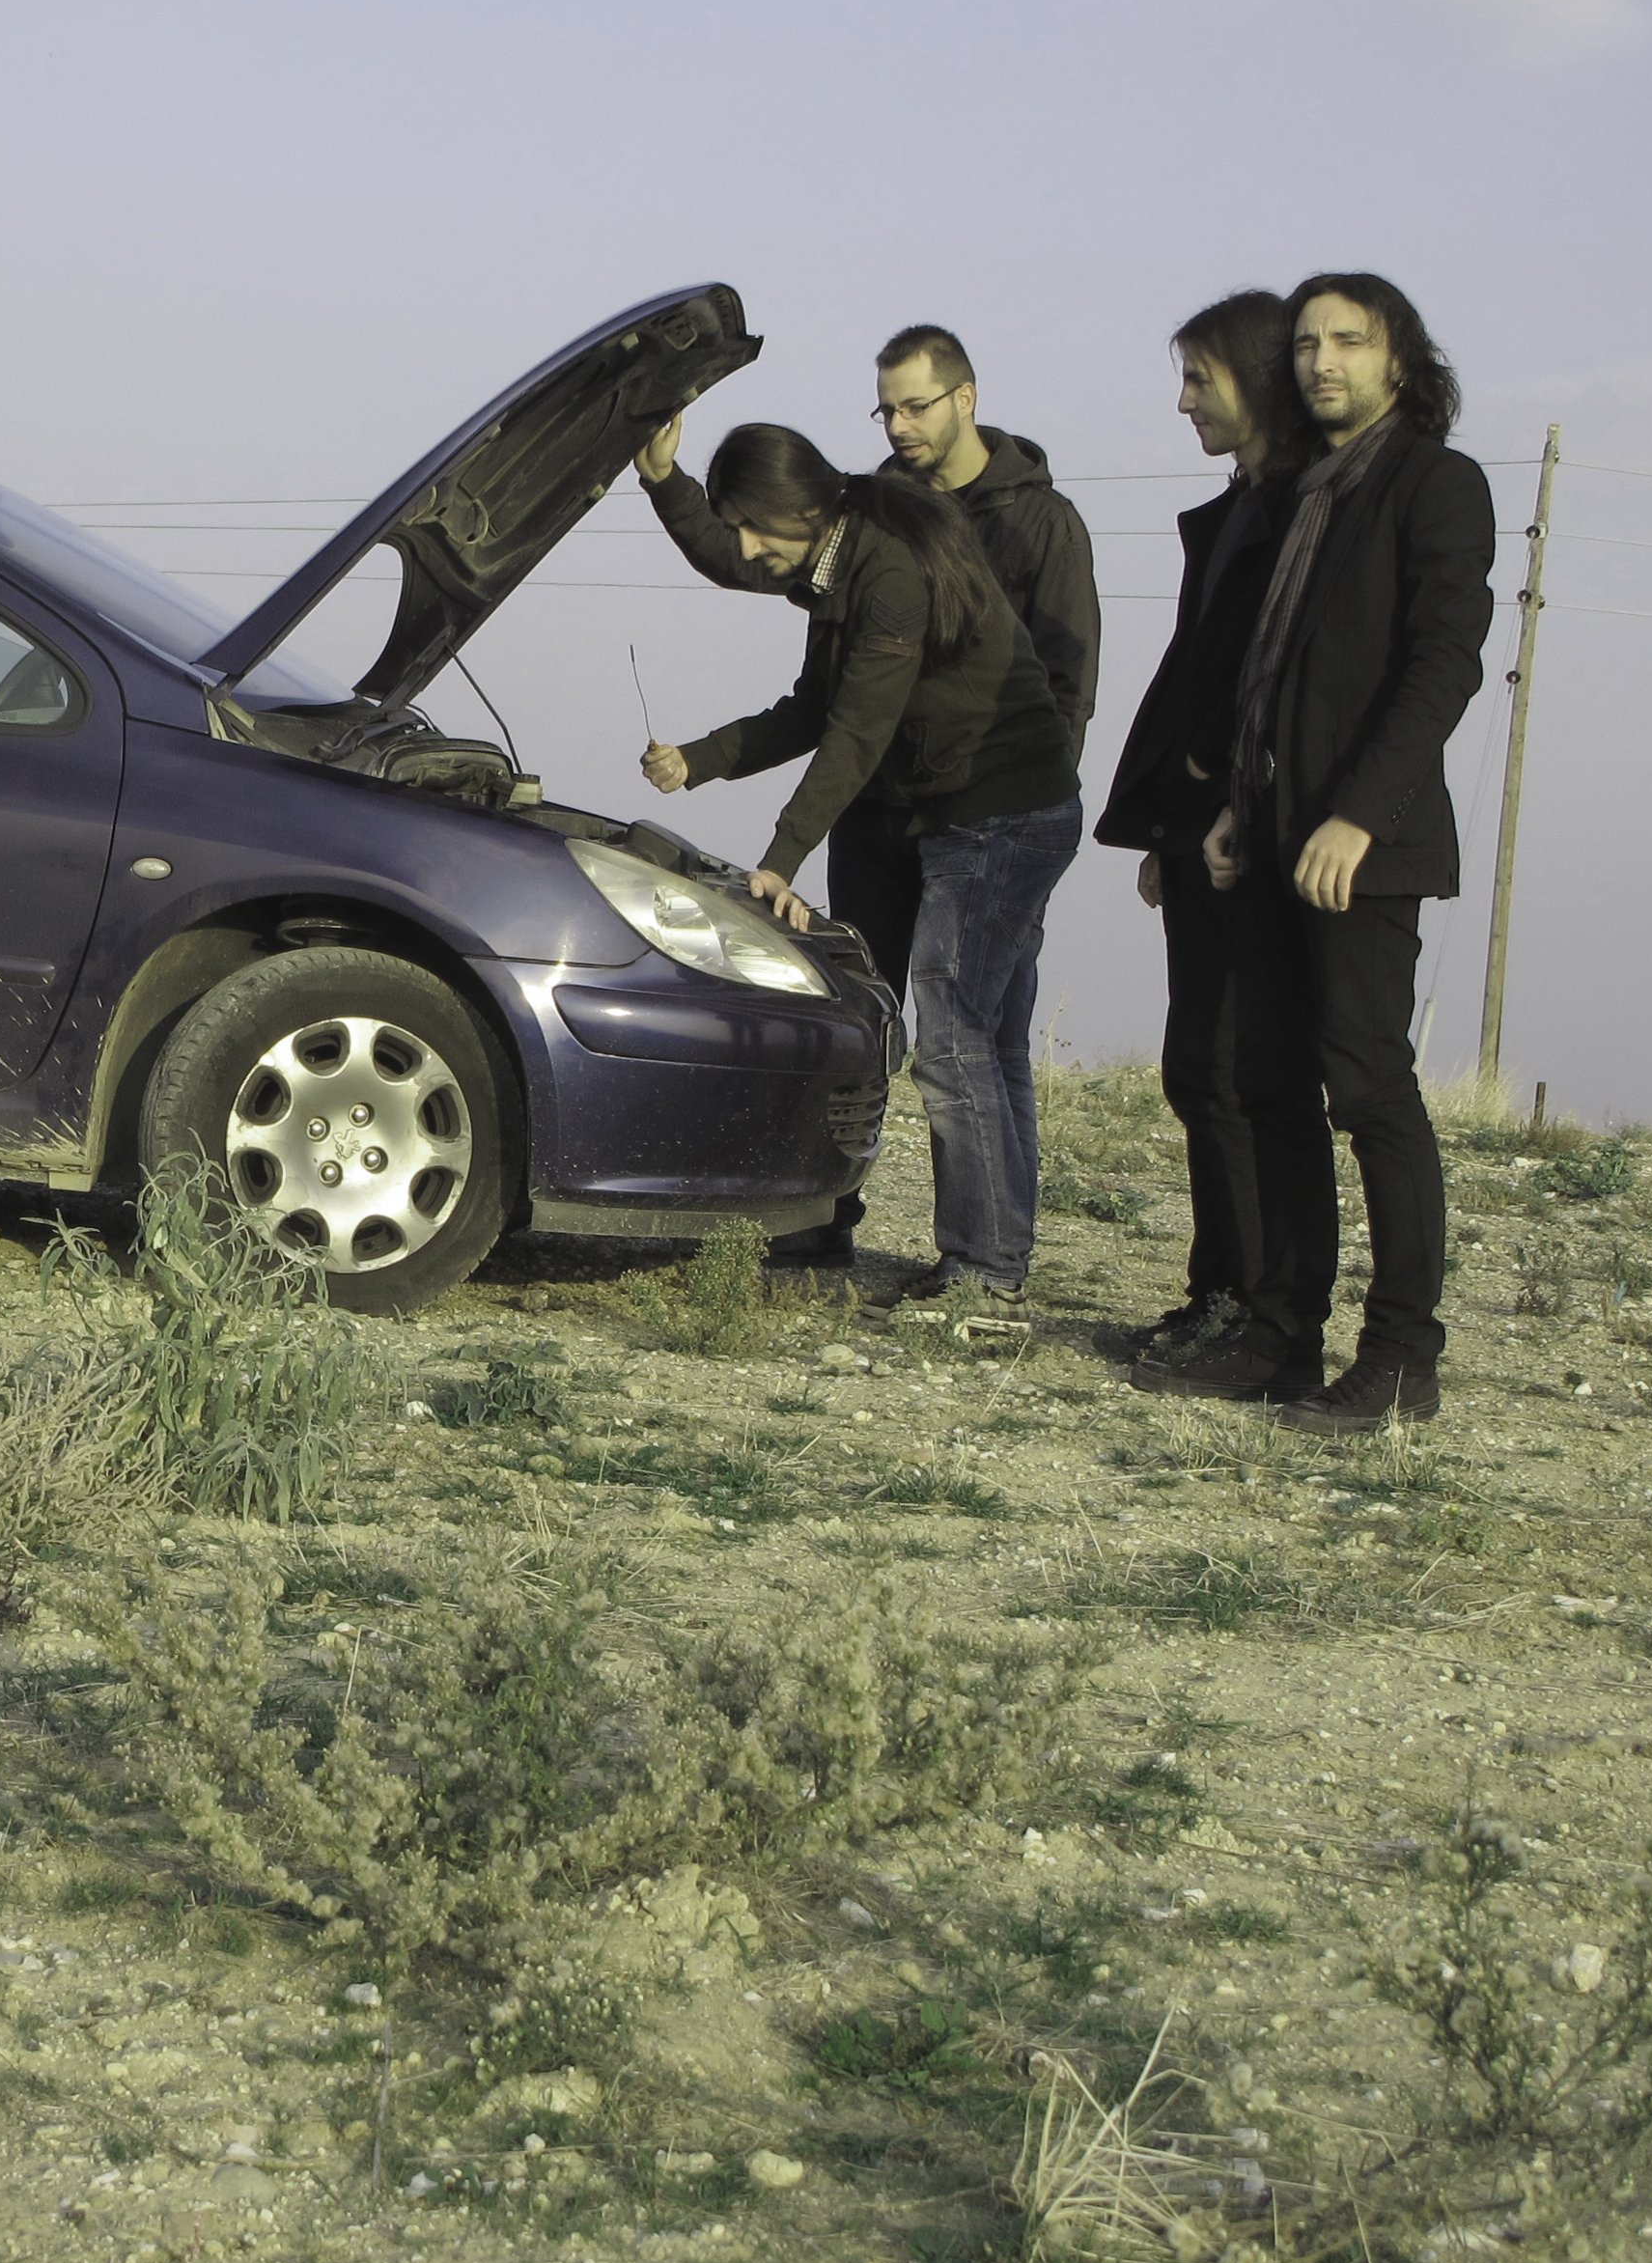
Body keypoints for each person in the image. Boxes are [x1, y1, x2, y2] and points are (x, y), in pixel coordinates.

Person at [631, 415, 1081, 1318]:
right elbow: (812, 703)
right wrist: (698, 758)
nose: (747, 550)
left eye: (752, 526)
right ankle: (833, 1223)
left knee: (957, 1040)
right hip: (922, 812)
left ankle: (985, 1269)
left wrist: (779, 858)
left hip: (999, 813)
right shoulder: (832, 560)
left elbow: (856, 731)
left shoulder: (888, 572)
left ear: (797, 507)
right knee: (909, 1026)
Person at [1147, 273, 1495, 1430]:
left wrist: (1357, 813)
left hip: (1363, 844)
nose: (1320, 361)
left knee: (1369, 1087)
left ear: (1399, 357)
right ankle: (1281, 1337)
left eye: (1347, 339)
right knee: (1268, 1085)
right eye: (1303, 342)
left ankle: (1398, 1357)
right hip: (1271, 832)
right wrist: (1236, 805)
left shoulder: (1434, 483)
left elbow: (1440, 665)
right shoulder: (1302, 495)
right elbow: (1270, 674)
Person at [1090, 291, 1318, 1370]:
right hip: (1199, 827)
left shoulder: (1300, 512)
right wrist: (1168, 823)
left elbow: (1269, 678)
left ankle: (1257, 1309)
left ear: (1255, 378)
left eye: (1199, 379)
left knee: (1232, 1073)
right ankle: (1218, 1294)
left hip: (1250, 831)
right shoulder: (1240, 509)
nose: (1183, 403)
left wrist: (1209, 781)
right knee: (1198, 1070)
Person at [872, 325, 1104, 764]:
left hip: (1000, 787)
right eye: (887, 412)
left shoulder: (1043, 522)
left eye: (916, 408)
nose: (898, 427)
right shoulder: (875, 516)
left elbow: (1069, 681)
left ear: (965, 399)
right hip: (884, 791)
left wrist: (1046, 788)